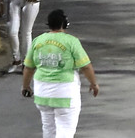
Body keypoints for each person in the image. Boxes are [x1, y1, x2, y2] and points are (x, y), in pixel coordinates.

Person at [22, 9, 98, 138]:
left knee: (48, 129)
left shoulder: (38, 41)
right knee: (65, 131)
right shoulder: (71, 41)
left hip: (42, 94)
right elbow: (85, 67)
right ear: (65, 24)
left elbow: (28, 68)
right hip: (65, 94)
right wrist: (93, 83)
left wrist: (26, 86)